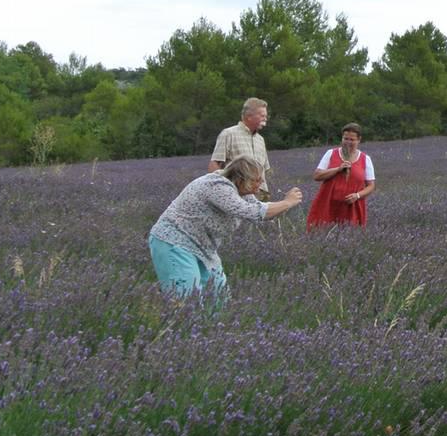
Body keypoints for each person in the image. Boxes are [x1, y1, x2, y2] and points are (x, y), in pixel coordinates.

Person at [148, 155, 303, 302]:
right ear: (241, 179)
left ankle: (210, 329)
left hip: (204, 247)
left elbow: (259, 209)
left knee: (219, 298)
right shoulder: (217, 186)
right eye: (256, 179)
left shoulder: (241, 190)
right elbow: (252, 212)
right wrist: (287, 202)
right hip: (174, 242)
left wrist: (284, 204)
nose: (261, 182)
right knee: (187, 300)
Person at [307, 123, 375, 227]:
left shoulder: (365, 159)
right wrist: (338, 169)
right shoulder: (331, 153)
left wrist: (357, 196)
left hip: (352, 207)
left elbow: (371, 186)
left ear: (359, 140)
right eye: (345, 138)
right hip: (328, 205)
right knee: (321, 233)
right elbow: (317, 176)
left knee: (351, 236)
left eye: (352, 140)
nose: (348, 142)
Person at [209, 98, 273, 200]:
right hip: (237, 196)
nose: (265, 118)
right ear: (249, 116)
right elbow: (214, 164)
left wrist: (265, 197)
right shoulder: (228, 134)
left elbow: (263, 171)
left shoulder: (260, 140)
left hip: (259, 197)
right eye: (262, 115)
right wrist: (223, 193)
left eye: (266, 116)